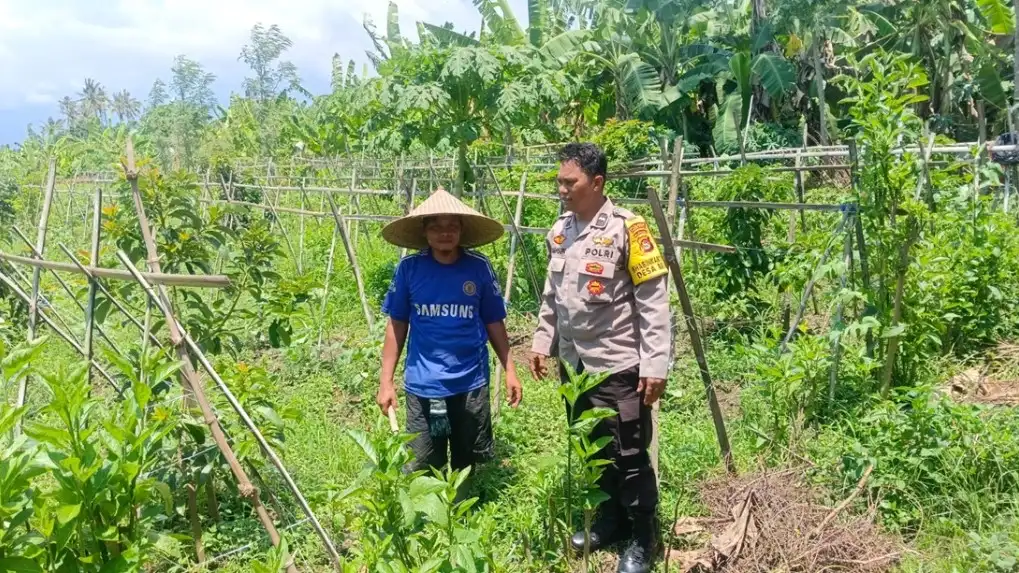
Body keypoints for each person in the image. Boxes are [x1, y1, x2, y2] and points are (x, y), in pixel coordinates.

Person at [529, 143, 671, 573]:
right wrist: (542, 340)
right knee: (593, 449)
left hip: (618, 363)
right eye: (559, 181)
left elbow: (654, 302)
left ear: (597, 182)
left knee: (629, 452)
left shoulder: (630, 229)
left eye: (569, 182)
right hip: (575, 366)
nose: (562, 189)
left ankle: (643, 537)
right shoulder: (561, 231)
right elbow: (554, 296)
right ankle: (609, 521)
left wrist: (655, 364)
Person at [377, 187, 523, 489]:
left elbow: (494, 321)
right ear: (424, 231)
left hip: (470, 383)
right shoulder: (409, 269)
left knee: (466, 461)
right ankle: (425, 524)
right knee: (421, 463)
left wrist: (510, 369)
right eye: (437, 226)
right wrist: (386, 380)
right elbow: (397, 325)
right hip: (424, 384)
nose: (445, 233)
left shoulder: (478, 268)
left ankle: (463, 517)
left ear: (461, 229)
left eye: (452, 226)